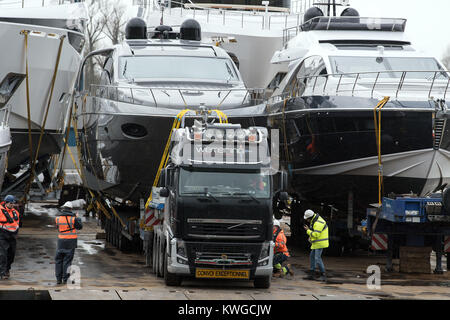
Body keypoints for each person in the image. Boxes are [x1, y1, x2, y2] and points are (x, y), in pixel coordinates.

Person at [55, 201, 83, 285]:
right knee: (67, 261)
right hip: (70, 242)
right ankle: (65, 279)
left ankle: (58, 279)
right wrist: (78, 218)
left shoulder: (57, 218)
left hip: (61, 242)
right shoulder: (73, 219)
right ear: (71, 209)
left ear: (63, 208)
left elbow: (58, 227)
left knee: (58, 260)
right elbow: (80, 227)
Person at [303, 209, 329, 282]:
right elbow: (314, 232)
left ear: (310, 217)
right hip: (316, 243)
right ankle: (312, 274)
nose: (307, 220)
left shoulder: (318, 223)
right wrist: (310, 237)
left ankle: (323, 275)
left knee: (317, 258)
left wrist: (307, 230)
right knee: (312, 256)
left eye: (307, 219)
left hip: (320, 243)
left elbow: (316, 234)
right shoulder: (314, 221)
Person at [0, 195, 20, 280]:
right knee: (3, 255)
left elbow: (17, 224)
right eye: (11, 203)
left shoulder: (15, 212)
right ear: (6, 202)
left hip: (12, 236)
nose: (12, 205)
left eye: (13, 203)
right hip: (2, 235)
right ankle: (3, 272)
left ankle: (7, 269)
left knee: (11, 254)